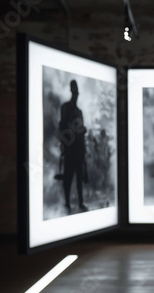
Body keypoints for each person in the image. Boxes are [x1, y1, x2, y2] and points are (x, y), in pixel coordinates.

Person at [58, 79, 88, 213]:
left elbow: (81, 133)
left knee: (79, 178)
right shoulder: (65, 108)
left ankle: (80, 203)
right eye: (74, 91)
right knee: (68, 178)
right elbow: (63, 127)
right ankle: (67, 203)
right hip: (70, 149)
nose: (76, 95)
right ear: (71, 91)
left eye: (77, 93)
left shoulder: (79, 112)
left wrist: (81, 132)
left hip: (79, 149)